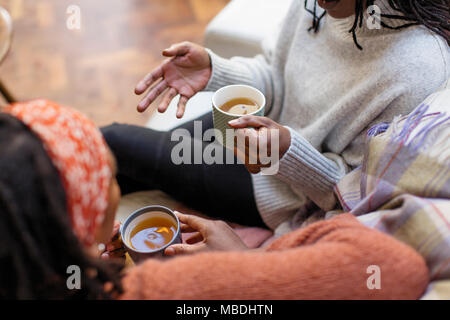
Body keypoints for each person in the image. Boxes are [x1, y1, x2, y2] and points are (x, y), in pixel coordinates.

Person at [0, 100, 429, 299]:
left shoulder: (41, 270)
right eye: (106, 180)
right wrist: (245, 264)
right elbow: (394, 267)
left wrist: (81, 261)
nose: (113, 187)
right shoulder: (157, 289)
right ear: (79, 215)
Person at [101, 0, 450, 238]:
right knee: (119, 166)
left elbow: (353, 197)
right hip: (250, 129)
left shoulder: (416, 69)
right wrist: (217, 71)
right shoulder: (319, 6)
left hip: (278, 188)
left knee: (114, 142)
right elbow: (274, 77)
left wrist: (286, 152)